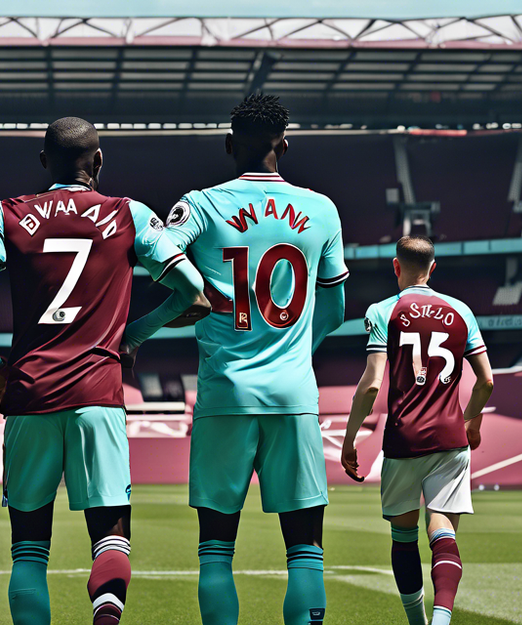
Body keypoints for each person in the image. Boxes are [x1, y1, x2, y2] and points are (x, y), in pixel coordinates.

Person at [0, 116, 204, 625]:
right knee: (109, 538)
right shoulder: (129, 214)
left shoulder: (8, 215)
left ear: (43, 162)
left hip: (29, 394)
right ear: (99, 161)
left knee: (28, 552)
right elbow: (192, 290)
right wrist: (132, 335)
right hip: (98, 393)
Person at [162, 93, 348, 625]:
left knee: (216, 550)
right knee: (305, 551)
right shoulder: (322, 208)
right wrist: (295, 355)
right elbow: (333, 310)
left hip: (224, 392)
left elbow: (160, 256)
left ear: (228, 146)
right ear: (284, 146)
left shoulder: (200, 204)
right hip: (293, 395)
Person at [340, 235, 495, 625]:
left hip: (403, 439)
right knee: (443, 532)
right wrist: (470, 420)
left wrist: (350, 438)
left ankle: (418, 624)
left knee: (404, 539)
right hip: (450, 439)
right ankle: (441, 623)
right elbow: (486, 381)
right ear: (433, 268)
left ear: (396, 267)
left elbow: (372, 383)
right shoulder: (461, 311)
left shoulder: (382, 311)